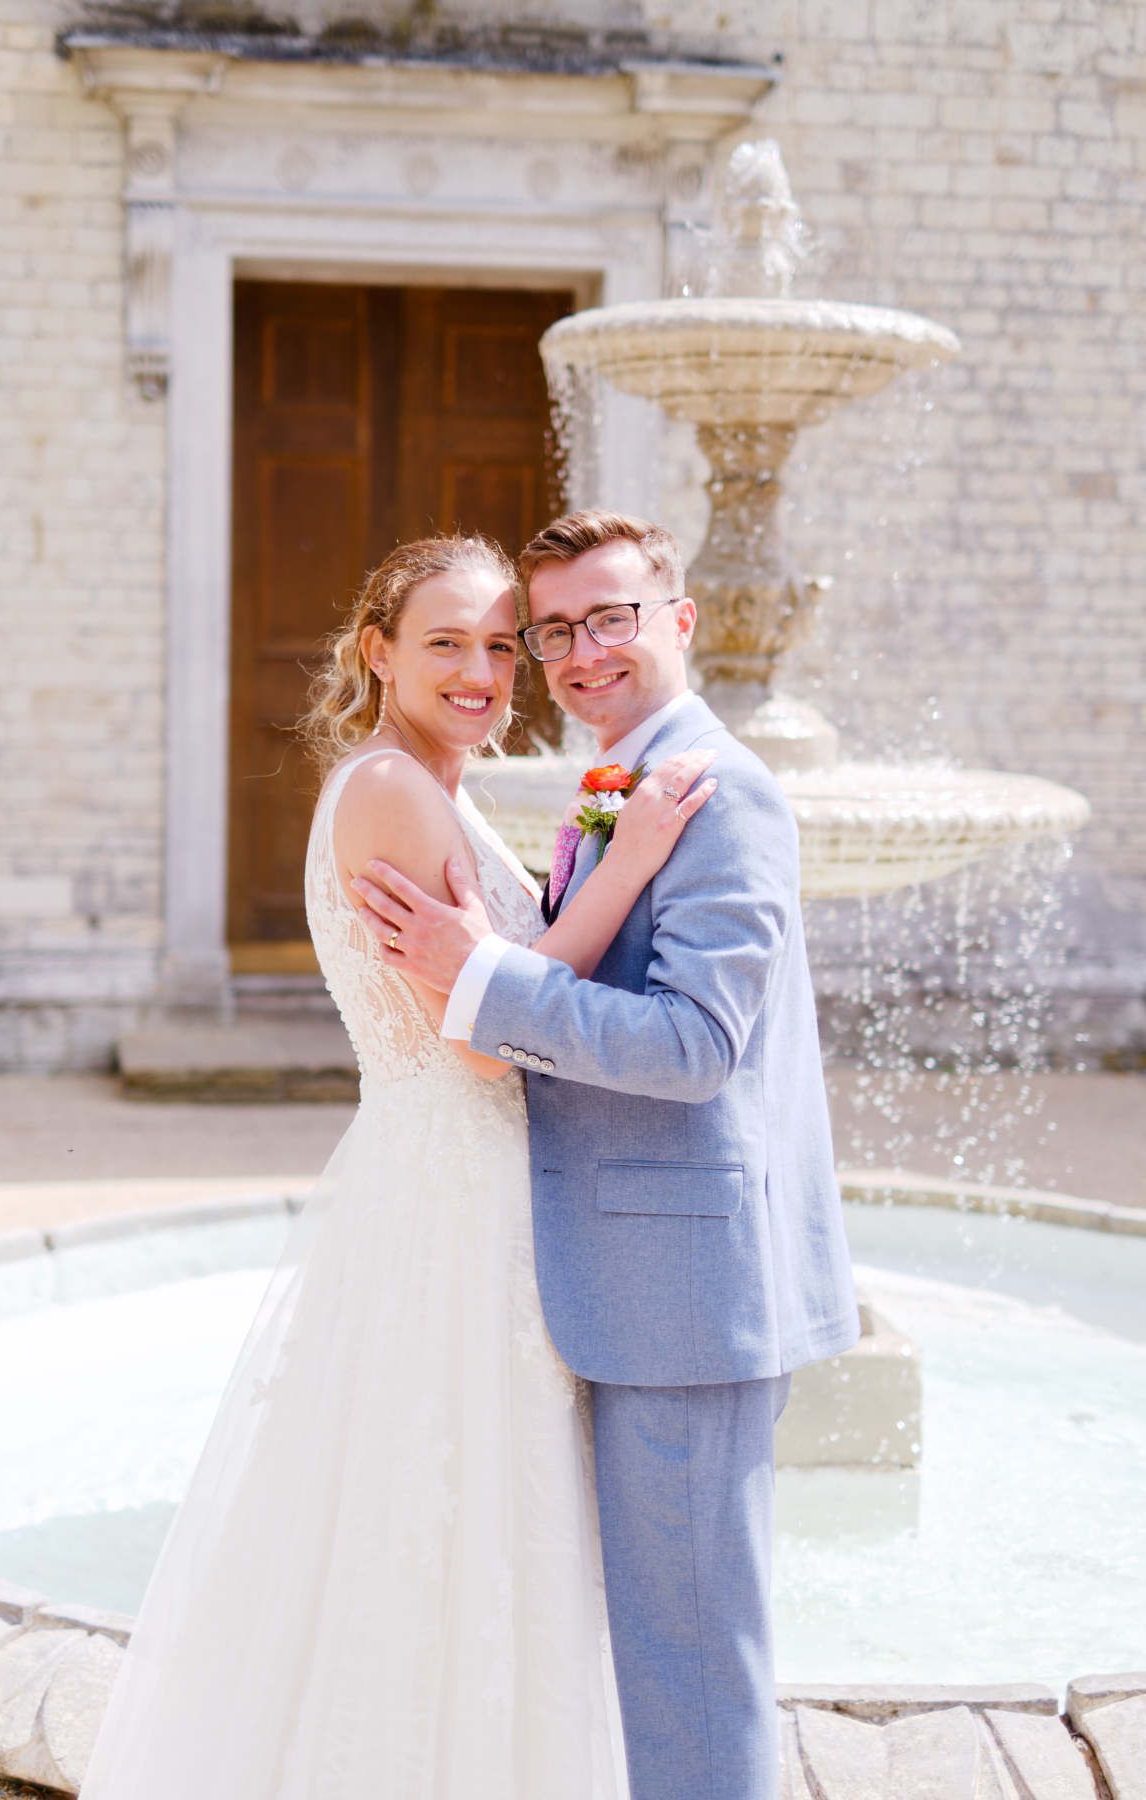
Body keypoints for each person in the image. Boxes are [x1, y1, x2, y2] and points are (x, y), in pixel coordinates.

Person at [77, 532, 717, 1800]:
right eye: (446, 643)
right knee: (443, 1508)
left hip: (462, 1189)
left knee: (466, 1516)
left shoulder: (439, 779)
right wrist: (636, 855)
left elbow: (524, 932)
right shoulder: (387, 794)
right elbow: (488, 1046)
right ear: (375, 652)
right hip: (458, 1196)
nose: (483, 670)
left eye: (498, 644)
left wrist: (602, 798)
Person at [349, 510, 861, 1800]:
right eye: (557, 629)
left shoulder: (718, 791)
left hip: (684, 1300)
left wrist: (482, 980)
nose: (580, 653)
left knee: (692, 1675)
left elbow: (695, 1047)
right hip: (625, 1286)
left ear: (679, 620)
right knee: (653, 1663)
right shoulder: (623, 782)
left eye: (612, 617)